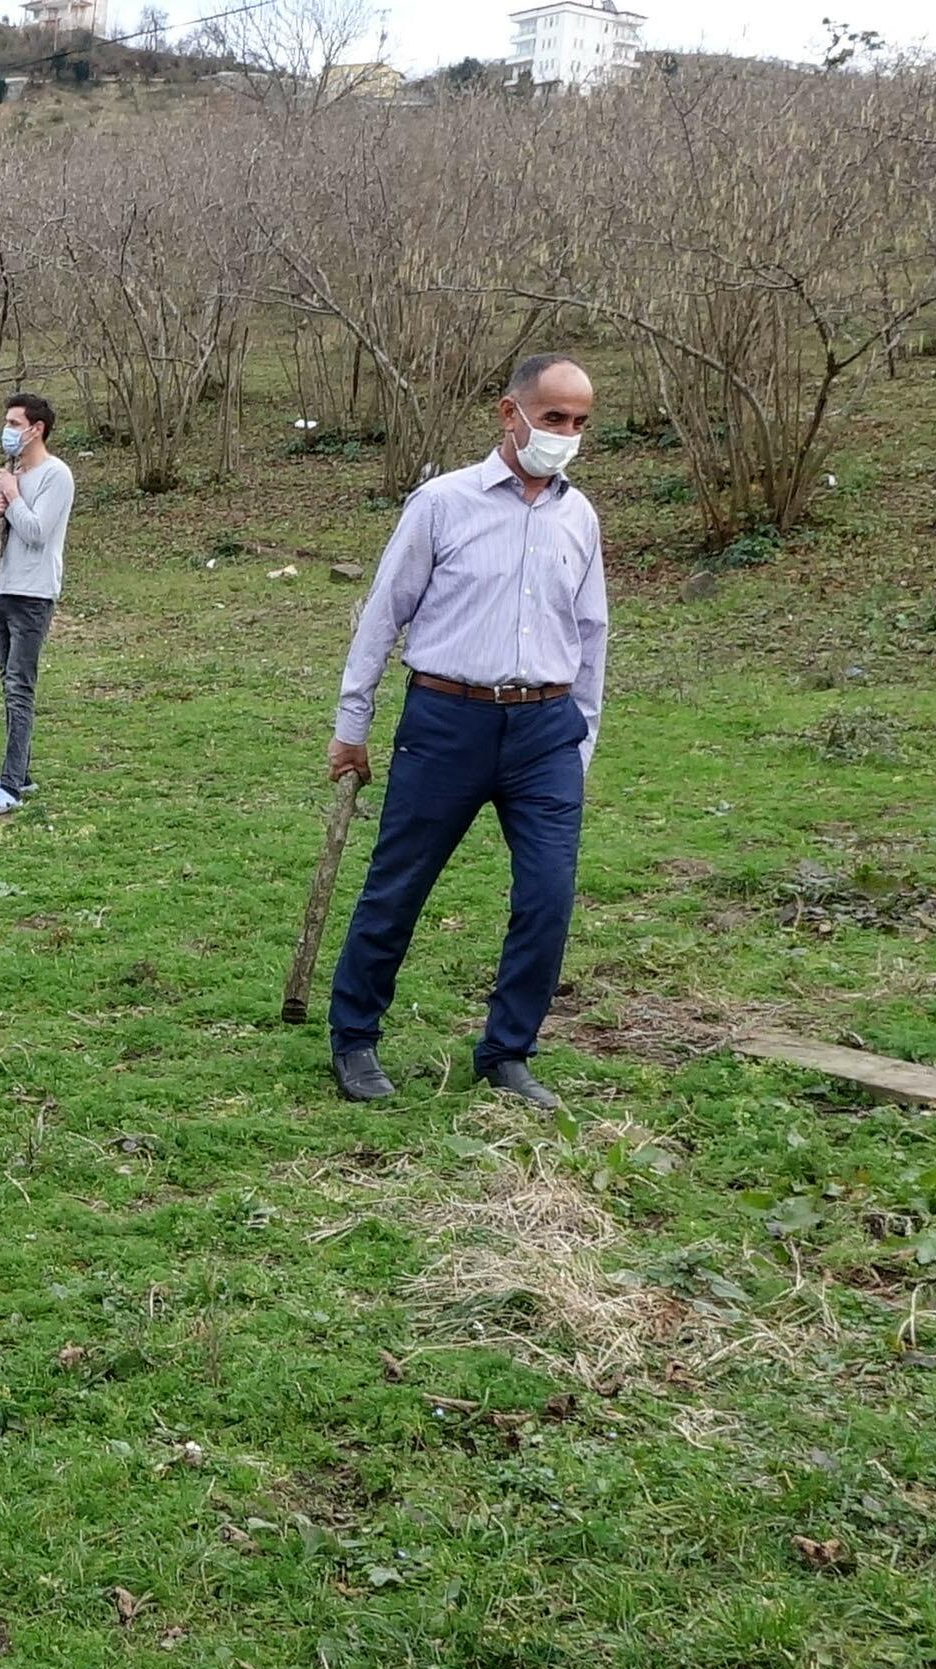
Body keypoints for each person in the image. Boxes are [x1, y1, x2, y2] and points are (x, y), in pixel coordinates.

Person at [323, 354, 611, 1110]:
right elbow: (383, 615)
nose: (567, 435)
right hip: (447, 721)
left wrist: (580, 738)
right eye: (554, 419)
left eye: (580, 423)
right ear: (509, 413)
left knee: (548, 896)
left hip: (546, 731)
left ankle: (508, 1050)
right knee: (398, 886)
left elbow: (591, 633)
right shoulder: (442, 503)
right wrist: (352, 725)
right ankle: (354, 1038)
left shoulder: (579, 516)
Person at [0, 394, 72, 818]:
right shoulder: (9, 474)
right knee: (6, 681)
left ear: (37, 429)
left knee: (19, 686)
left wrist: (12, 499)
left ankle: (10, 784)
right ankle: (21, 770)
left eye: (15, 423)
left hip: (33, 595)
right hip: (3, 589)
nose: (8, 431)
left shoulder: (56, 475)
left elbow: (35, 532)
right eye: (7, 423)